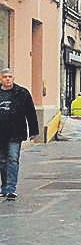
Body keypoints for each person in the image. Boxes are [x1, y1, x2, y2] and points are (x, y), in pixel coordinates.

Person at [0, 68, 39, 200]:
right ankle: (4, 186)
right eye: (5, 76)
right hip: (1, 133)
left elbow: (31, 112)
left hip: (15, 132)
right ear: (1, 79)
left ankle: (11, 189)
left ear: (13, 78)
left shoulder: (22, 93)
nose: (7, 79)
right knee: (2, 161)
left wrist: (34, 131)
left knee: (12, 159)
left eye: (10, 76)